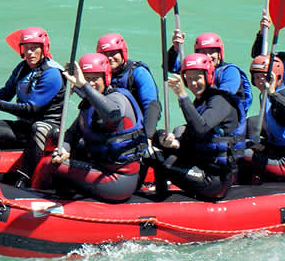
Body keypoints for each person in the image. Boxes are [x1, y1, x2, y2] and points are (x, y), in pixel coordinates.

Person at [48, 53, 145, 202]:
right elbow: (72, 133)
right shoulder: (89, 104)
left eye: (95, 78)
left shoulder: (118, 99)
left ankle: (36, 198)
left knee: (50, 166)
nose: (91, 83)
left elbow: (111, 114)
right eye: (87, 78)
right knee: (56, 146)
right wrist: (64, 149)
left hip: (118, 179)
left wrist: (84, 86)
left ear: (105, 78)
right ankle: (59, 196)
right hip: (99, 168)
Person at [0, 27, 65, 187]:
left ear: (44, 48)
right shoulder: (21, 68)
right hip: (26, 127)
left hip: (49, 131)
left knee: (39, 128)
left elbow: (32, 109)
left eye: (34, 48)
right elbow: (5, 93)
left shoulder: (52, 74)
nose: (30, 53)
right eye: (26, 48)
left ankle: (23, 181)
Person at [151, 53, 242, 201]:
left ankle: (159, 201)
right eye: (189, 78)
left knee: (158, 161)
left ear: (208, 77)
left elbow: (201, 128)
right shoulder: (200, 102)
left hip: (214, 180)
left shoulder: (219, 100)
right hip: (202, 165)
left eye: (197, 78)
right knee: (157, 143)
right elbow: (194, 135)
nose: (193, 84)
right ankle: (159, 195)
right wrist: (174, 142)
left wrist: (182, 95)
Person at [166, 30, 252, 123]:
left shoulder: (230, 72)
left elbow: (223, 98)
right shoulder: (198, 70)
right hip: (205, 118)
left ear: (219, 53)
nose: (208, 56)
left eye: (212, 52)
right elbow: (170, 67)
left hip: (226, 123)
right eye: (203, 52)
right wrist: (175, 49)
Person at [96, 33, 161, 142]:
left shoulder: (138, 73)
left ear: (123, 53)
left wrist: (148, 136)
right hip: (110, 127)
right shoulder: (98, 77)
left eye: (113, 54)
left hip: (136, 129)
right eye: (105, 55)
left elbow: (151, 105)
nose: (109, 58)